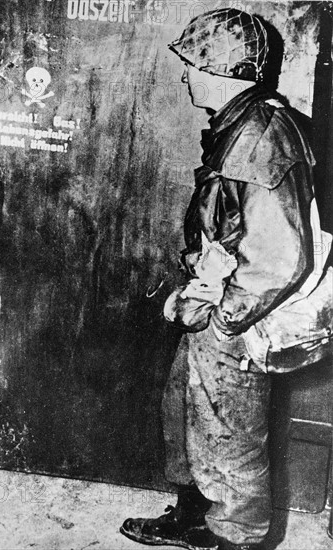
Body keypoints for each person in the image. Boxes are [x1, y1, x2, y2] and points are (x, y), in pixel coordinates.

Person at [120, 8, 315, 550]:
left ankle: (236, 539)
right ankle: (195, 513)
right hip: (215, 299)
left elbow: (278, 260)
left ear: (223, 71)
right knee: (189, 412)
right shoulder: (243, 122)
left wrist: (224, 320)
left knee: (231, 438)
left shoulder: (258, 138)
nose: (185, 75)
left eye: (192, 64)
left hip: (240, 313)